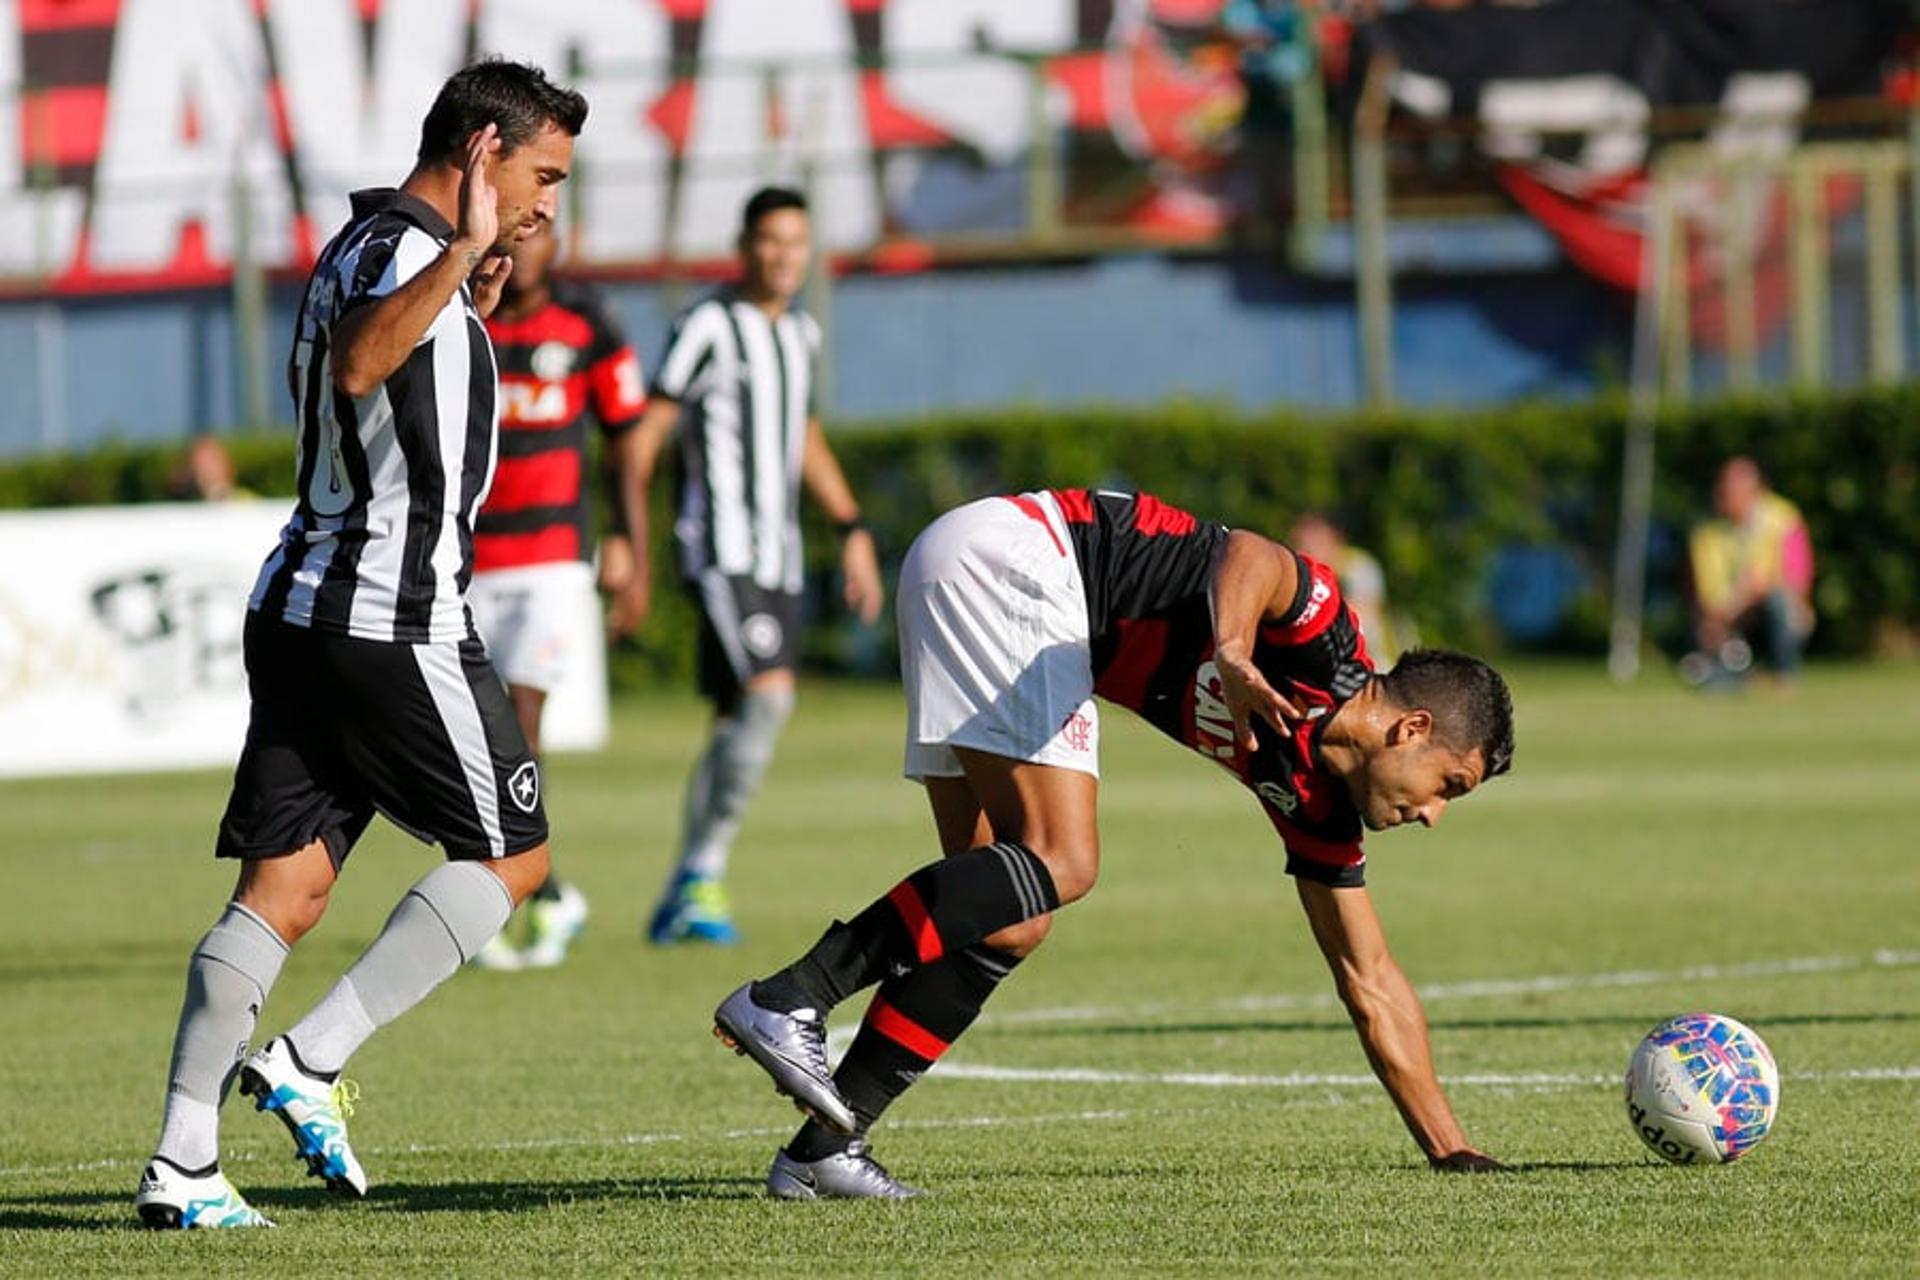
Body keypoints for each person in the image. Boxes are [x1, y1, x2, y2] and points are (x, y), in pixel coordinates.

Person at [713, 487, 1514, 1198]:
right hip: (1023, 564)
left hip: (967, 569)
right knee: (1065, 860)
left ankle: (826, 1145)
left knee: (1003, 913)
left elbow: (1368, 976)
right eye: (1450, 785)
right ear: (1411, 728)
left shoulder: (1319, 802)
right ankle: (789, 998)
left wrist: (1452, 1150)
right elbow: (1257, 555)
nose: (1434, 815)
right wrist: (1233, 651)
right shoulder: (1328, 645)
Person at [133, 59, 586, 1229]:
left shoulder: (362, 244)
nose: (547, 206)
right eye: (540, 175)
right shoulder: (402, 253)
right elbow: (362, 360)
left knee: (282, 889)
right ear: (483, 150)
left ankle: (183, 1160)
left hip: (302, 609)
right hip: (392, 618)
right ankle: (313, 1059)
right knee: (513, 857)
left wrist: (467, 278)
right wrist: (458, 260)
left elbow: (388, 379)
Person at [618, 186, 885, 946]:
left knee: (742, 715)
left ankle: (687, 888)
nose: (782, 256)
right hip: (722, 550)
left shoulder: (799, 333)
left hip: (782, 557)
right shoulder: (707, 324)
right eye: (770, 240)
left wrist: (853, 526)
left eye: (796, 243)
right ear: (744, 245)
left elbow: (801, 436)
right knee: (769, 699)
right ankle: (701, 873)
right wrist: (632, 546)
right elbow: (648, 434)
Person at [465, 221, 648, 970]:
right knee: (476, 736)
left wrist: (634, 549)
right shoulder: (460, 318)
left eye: (536, 237)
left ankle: (511, 888)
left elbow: (627, 442)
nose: (523, 250)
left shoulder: (588, 325)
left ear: (558, 247)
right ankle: (539, 889)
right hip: (468, 559)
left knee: (519, 727)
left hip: (551, 560)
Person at [1685, 457, 1815, 687]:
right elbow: (1711, 600)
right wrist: (1739, 600)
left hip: (1774, 609)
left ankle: (1783, 675)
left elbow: (1798, 581)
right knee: (1711, 638)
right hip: (1732, 617)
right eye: (1727, 490)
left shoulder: (1783, 518)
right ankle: (1734, 676)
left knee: (1783, 605)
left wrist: (1759, 588)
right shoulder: (1708, 533)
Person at [1290, 511, 1402, 661]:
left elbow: (1364, 615)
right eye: (1300, 543)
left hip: (1374, 664)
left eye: (1315, 540)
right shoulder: (1303, 573)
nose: (1306, 549)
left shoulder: (1358, 566)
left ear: (1334, 538)